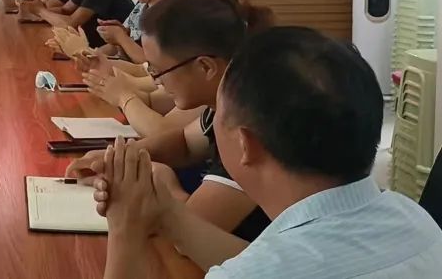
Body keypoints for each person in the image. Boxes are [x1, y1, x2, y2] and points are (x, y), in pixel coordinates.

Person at [97, 27, 442, 279]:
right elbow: (272, 257)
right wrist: (168, 214)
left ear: (245, 145)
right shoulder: (419, 223)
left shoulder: (254, 273)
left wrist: (125, 229)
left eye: (218, 113)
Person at [68, 0, 275, 242]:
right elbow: (185, 143)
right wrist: (123, 158)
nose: (157, 81)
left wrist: (164, 182)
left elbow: (191, 231)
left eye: (158, 71)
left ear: (205, 67)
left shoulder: (254, 119)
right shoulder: (228, 96)